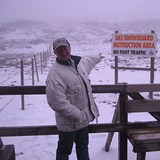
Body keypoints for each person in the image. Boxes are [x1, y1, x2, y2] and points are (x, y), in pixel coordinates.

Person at [46, 37, 104, 160]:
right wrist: (79, 115)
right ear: (55, 53)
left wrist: (98, 57)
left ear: (70, 47)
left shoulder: (78, 64)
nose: (63, 52)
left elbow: (89, 61)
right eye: (59, 50)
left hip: (83, 122)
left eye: (65, 48)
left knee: (83, 148)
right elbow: (56, 101)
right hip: (68, 125)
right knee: (64, 152)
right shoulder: (55, 74)